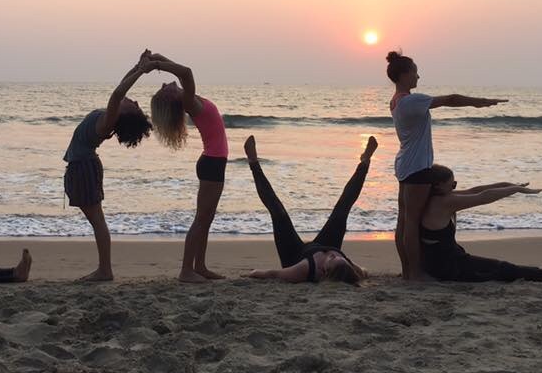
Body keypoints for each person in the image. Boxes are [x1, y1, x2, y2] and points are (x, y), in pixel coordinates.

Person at [386, 50, 506, 282]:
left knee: (404, 221)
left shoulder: (396, 101)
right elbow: (450, 99)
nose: (418, 77)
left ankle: (408, 271)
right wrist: (479, 103)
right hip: (417, 168)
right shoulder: (411, 100)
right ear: (403, 75)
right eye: (415, 72)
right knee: (410, 223)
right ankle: (415, 273)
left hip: (405, 165)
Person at [63, 55, 153, 281]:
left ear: (126, 114)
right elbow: (119, 90)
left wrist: (141, 72)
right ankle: (104, 269)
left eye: (136, 106)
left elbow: (118, 94)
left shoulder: (108, 121)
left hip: (84, 167)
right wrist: (137, 66)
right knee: (96, 220)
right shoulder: (109, 116)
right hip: (82, 166)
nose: (135, 101)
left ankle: (105, 270)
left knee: (97, 221)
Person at [245, 135, 376, 284]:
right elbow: (362, 272)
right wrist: (362, 272)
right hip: (321, 245)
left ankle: (253, 162)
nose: (332, 255)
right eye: (339, 256)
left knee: (278, 213)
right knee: (342, 210)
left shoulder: (306, 269)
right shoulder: (344, 265)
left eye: (332, 259)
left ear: (324, 270)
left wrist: (255, 273)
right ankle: (365, 161)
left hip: (293, 254)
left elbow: (274, 274)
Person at [421, 165, 542, 282]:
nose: (455, 187)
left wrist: (508, 185)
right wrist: (515, 190)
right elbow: (483, 197)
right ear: (438, 185)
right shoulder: (444, 202)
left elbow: (477, 190)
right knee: (502, 269)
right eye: (453, 184)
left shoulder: (439, 198)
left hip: (451, 261)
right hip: (447, 267)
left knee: (500, 267)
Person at [146, 52, 228, 283]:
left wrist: (154, 59)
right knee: (201, 219)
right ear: (174, 99)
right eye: (164, 88)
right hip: (212, 163)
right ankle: (186, 270)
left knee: (207, 218)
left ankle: (200, 266)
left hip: (213, 162)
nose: (164, 82)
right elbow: (186, 72)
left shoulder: (188, 98)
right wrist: (156, 65)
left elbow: (177, 70)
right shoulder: (189, 101)